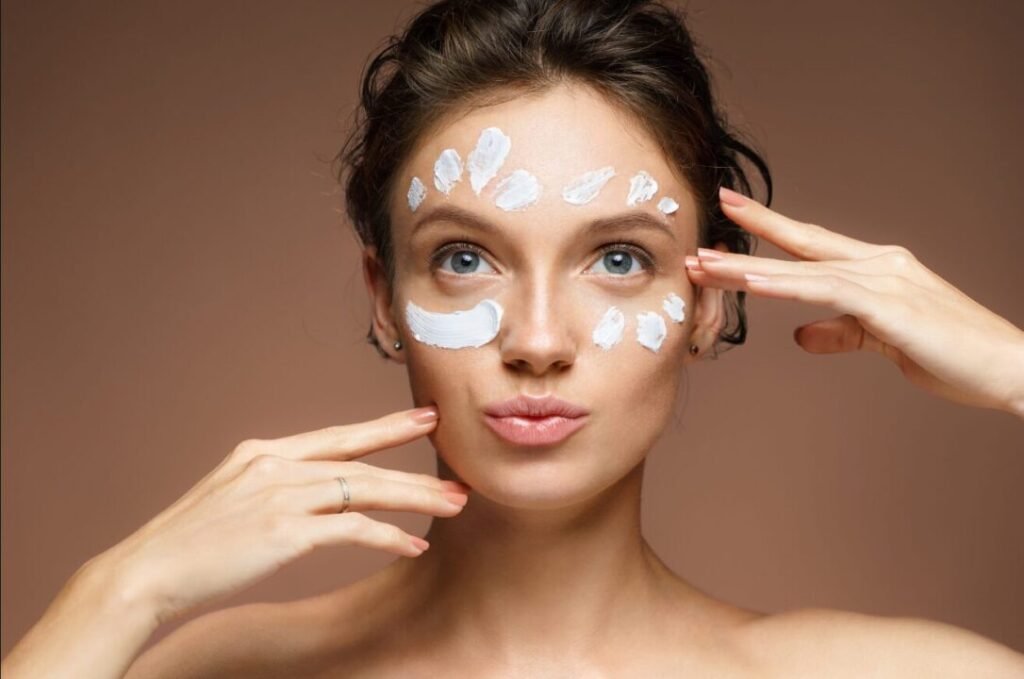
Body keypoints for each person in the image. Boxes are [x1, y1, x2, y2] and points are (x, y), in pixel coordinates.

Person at [4, 1, 1023, 677]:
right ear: (382, 294)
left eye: (619, 258)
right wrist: (115, 591)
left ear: (708, 304)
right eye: (464, 258)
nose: (537, 340)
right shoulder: (212, 671)